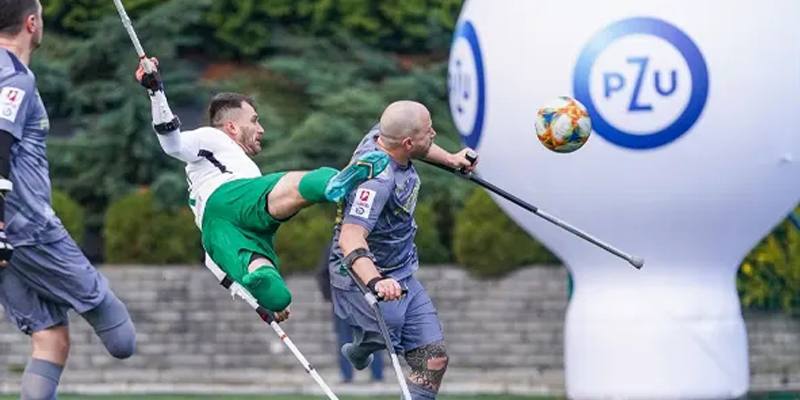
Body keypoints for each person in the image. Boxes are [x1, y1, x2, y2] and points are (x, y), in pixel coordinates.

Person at [135, 59, 389, 321]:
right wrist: (156, 91)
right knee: (288, 188)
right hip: (232, 197)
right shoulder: (213, 137)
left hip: (220, 234)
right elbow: (173, 144)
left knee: (275, 292)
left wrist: (258, 304)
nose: (261, 129)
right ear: (232, 126)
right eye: (254, 121)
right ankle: (332, 182)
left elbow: (217, 269)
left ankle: (268, 290)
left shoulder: (219, 172)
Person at [0, 1, 137, 398]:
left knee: (51, 339)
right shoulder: (14, 77)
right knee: (121, 336)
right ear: (31, 23)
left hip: (11, 239)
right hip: (27, 230)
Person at [328, 101, 477, 400]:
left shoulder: (383, 135)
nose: (434, 132)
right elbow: (351, 236)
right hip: (363, 277)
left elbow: (420, 145)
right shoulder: (376, 182)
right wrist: (376, 281)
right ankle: (364, 345)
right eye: (428, 131)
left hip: (403, 272)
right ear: (407, 143)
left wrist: (451, 159)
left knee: (433, 360)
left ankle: (365, 346)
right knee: (391, 323)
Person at [316, 244, 384, 383]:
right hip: (346, 302)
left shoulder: (367, 244)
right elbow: (323, 273)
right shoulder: (334, 247)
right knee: (348, 339)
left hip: (364, 302)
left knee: (371, 338)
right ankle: (350, 375)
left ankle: (375, 375)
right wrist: (331, 297)